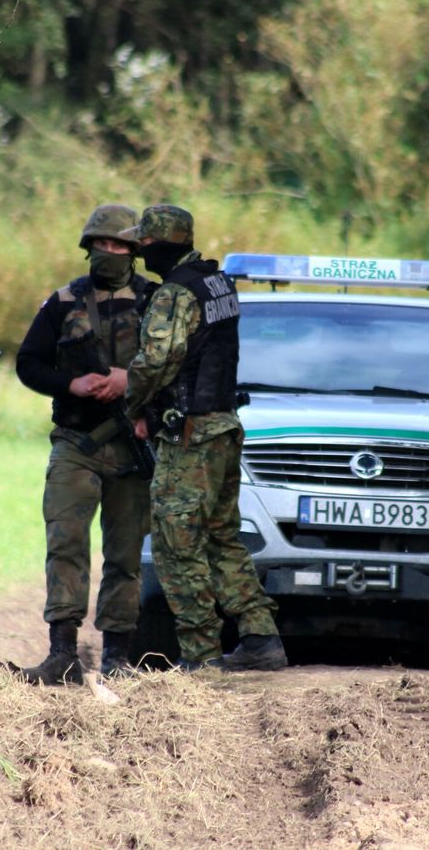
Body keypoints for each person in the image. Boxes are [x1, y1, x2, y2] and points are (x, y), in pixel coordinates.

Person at [122, 204, 287, 672]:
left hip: (191, 437)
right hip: (224, 427)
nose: (139, 252)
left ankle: (200, 656)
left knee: (177, 544)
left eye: (144, 244)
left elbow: (157, 360)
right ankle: (260, 638)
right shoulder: (218, 283)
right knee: (222, 537)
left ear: (157, 244)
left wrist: (133, 405)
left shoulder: (175, 292)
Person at [15, 204, 158, 683]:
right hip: (76, 443)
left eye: (119, 245)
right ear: (88, 248)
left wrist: (130, 385)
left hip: (135, 447)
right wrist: (69, 385)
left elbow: (180, 371)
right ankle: (62, 652)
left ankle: (119, 655)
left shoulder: (157, 301)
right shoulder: (62, 302)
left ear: (135, 251)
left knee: (125, 553)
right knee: (65, 542)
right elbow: (29, 364)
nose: (110, 253)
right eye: (102, 244)